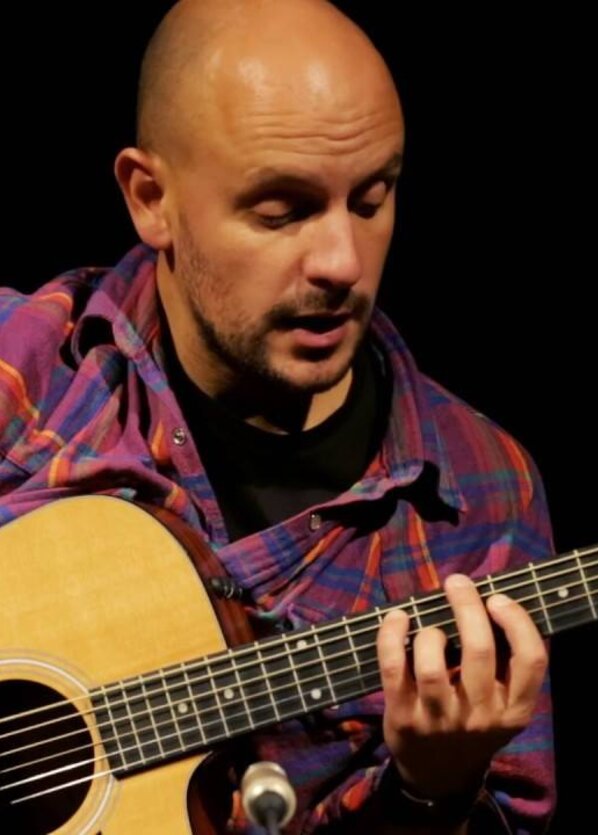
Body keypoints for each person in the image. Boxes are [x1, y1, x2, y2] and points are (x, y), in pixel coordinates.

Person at [0, 1, 555, 832]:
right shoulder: (27, 368)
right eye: (281, 212)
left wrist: (433, 790)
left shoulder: (481, 499)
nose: (341, 262)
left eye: (371, 200)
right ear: (151, 198)